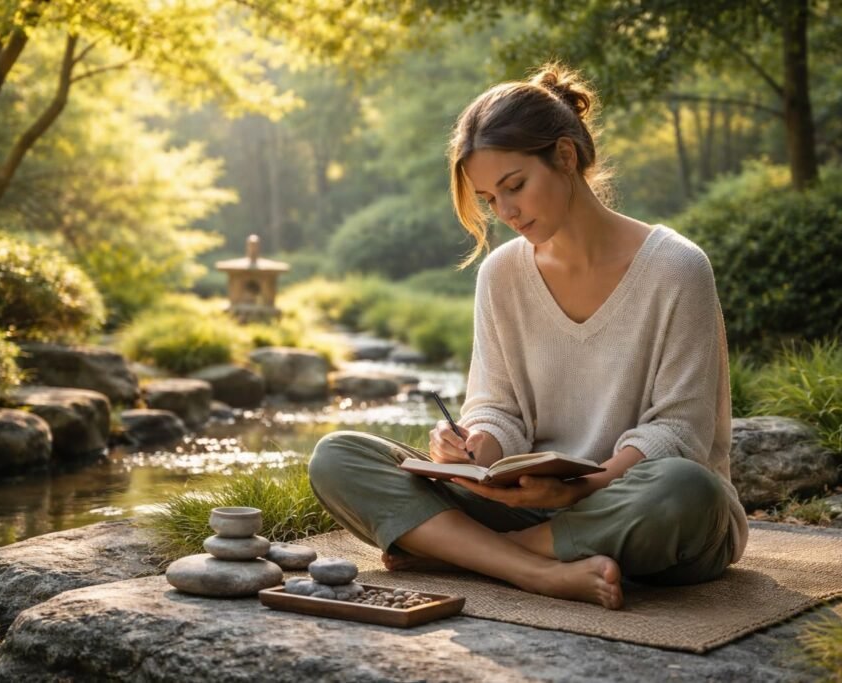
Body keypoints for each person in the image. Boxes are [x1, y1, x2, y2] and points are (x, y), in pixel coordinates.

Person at [308, 63, 749, 610]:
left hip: (638, 503)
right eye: (491, 199)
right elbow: (498, 407)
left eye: (515, 186)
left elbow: (680, 431)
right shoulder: (501, 274)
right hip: (535, 505)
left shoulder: (677, 267)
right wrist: (476, 446)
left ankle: (481, 555)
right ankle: (538, 570)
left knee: (689, 488)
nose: (507, 212)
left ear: (565, 157)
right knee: (338, 456)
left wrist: (581, 488)